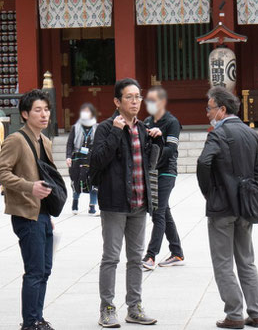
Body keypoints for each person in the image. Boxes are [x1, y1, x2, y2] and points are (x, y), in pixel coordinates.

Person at [90, 78, 161, 328]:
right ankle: (107, 308)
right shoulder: (105, 128)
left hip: (139, 204)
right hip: (114, 203)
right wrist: (115, 132)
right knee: (111, 258)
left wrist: (157, 142)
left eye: (138, 97)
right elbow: (97, 161)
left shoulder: (143, 129)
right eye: (129, 97)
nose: (135, 101)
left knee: (135, 259)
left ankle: (134, 306)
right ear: (117, 102)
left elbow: (149, 166)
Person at [197, 87, 258, 330]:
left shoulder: (218, 133)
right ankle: (256, 313)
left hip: (222, 206)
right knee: (246, 260)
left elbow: (204, 162)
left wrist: (209, 192)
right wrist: (249, 190)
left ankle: (234, 313)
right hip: (247, 205)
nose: (207, 113)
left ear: (222, 110)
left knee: (223, 262)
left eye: (210, 108)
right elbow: (257, 172)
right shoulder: (251, 134)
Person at [0, 89, 56, 330]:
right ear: (25, 114)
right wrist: (29, 187)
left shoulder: (45, 141)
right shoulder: (16, 140)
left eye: (46, 109)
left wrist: (48, 212)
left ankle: (38, 318)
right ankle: (30, 322)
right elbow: (0, 172)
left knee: (45, 269)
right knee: (35, 270)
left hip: (42, 213)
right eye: (38, 110)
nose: (44, 114)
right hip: (25, 215)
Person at [142, 86, 185, 270]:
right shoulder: (147, 121)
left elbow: (170, 150)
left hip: (167, 171)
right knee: (163, 211)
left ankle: (151, 256)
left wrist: (158, 138)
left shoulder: (172, 122)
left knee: (158, 212)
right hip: (152, 172)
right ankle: (177, 252)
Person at [66, 103, 99, 215]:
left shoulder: (97, 127)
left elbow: (99, 144)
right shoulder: (75, 127)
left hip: (91, 158)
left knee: (93, 182)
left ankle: (92, 205)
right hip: (78, 158)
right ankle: (75, 201)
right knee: (77, 181)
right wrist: (68, 157)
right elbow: (69, 143)